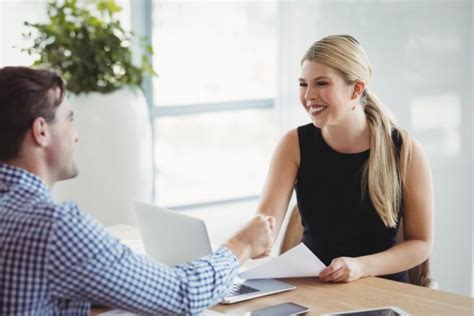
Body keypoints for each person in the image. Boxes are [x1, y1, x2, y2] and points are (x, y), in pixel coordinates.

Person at [0, 66, 276, 315]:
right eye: (69, 119)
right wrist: (243, 244)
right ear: (41, 131)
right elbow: (183, 294)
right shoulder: (54, 226)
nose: (75, 134)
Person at [257, 35, 434, 283]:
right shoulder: (293, 144)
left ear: (356, 89)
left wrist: (361, 267)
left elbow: (421, 244)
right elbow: (266, 226)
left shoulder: (405, 150)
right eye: (302, 84)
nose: (308, 95)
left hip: (382, 290)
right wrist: (230, 253)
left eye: (321, 83)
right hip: (314, 286)